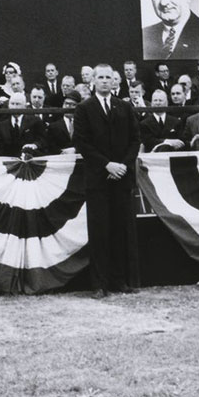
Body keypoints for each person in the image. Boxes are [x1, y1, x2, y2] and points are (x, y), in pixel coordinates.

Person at [72, 63, 142, 295]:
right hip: (98, 179)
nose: (104, 81)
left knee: (121, 230)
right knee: (100, 231)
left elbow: (135, 139)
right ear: (93, 80)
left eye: (108, 77)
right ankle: (99, 284)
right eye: (100, 77)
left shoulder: (124, 107)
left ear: (114, 81)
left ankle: (119, 281)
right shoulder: (84, 108)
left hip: (121, 178)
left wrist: (122, 165)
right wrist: (106, 165)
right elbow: (82, 143)